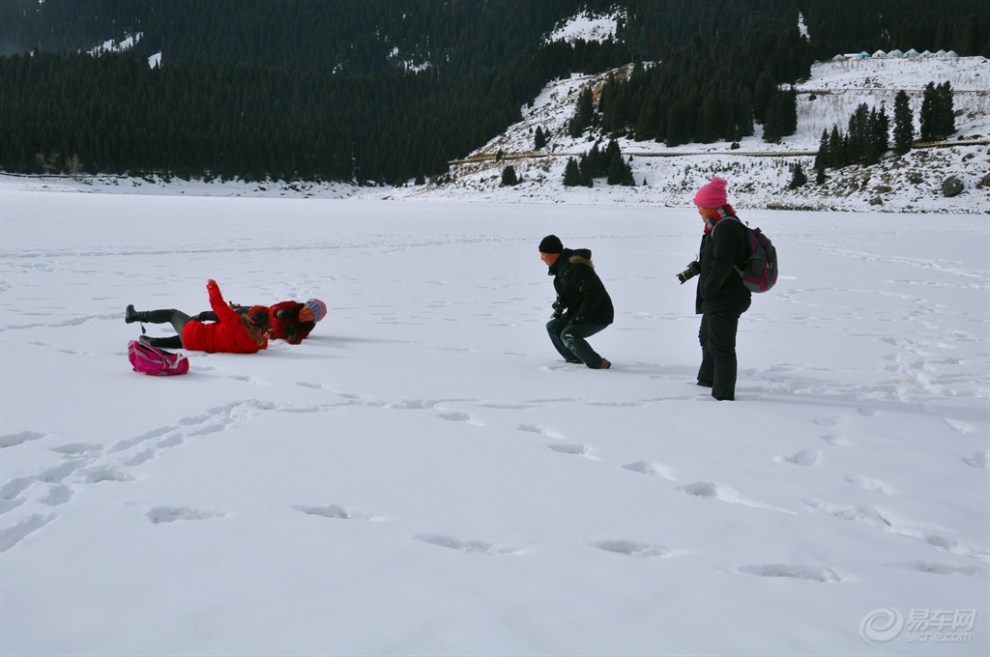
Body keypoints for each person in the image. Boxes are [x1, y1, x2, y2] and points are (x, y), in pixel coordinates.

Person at [685, 176, 751, 400]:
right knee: (706, 337)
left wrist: (708, 290)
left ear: (711, 206)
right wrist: (697, 268)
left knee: (722, 347)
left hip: (726, 297)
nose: (699, 212)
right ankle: (707, 379)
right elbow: (715, 260)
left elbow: (722, 265)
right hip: (719, 296)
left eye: (700, 207)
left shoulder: (726, 227)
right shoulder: (718, 225)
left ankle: (723, 395)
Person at [124, 279, 270, 354]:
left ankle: (136, 316)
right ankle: (150, 342)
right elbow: (262, 343)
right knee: (179, 339)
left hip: (193, 333)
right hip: (195, 345)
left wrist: (212, 285)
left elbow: (217, 303)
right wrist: (264, 335)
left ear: (251, 317)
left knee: (172, 313)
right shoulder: (254, 345)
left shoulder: (234, 321)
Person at [539, 234, 614, 369]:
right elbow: (571, 292)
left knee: (569, 335)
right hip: (578, 311)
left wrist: (581, 316)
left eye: (543, 254)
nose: (541, 258)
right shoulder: (561, 270)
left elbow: (594, 293)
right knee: (553, 327)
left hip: (598, 314)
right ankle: (575, 358)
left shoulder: (577, 268)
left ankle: (598, 363)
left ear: (553, 253)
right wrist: (561, 304)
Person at [193, 298, 326, 345]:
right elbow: (273, 307)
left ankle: (197, 329)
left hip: (257, 329)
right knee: (224, 316)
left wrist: (292, 336)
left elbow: (295, 341)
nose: (306, 313)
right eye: (307, 309)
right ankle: (198, 318)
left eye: (310, 314)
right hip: (255, 313)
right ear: (304, 306)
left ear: (313, 320)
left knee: (224, 327)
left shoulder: (304, 329)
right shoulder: (291, 305)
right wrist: (278, 313)